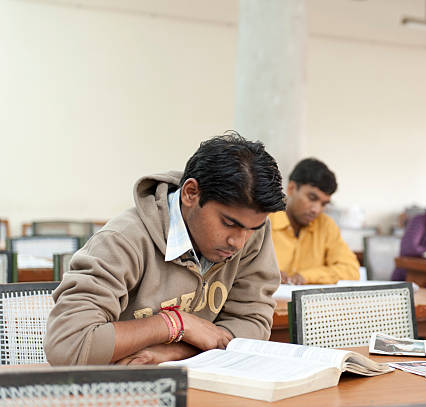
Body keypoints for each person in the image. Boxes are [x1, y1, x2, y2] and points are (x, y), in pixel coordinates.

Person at [44, 132, 286, 365]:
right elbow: (69, 345)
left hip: (200, 385)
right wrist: (175, 323)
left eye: (252, 228)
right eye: (229, 223)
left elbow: (252, 323)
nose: (239, 242)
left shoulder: (252, 234)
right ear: (191, 193)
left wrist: (176, 351)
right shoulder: (122, 240)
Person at [269, 158, 360, 285]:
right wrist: (265, 274)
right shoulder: (264, 220)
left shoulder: (326, 225)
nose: (316, 210)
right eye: (312, 198)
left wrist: (306, 276)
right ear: (291, 188)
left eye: (324, 204)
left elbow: (351, 270)